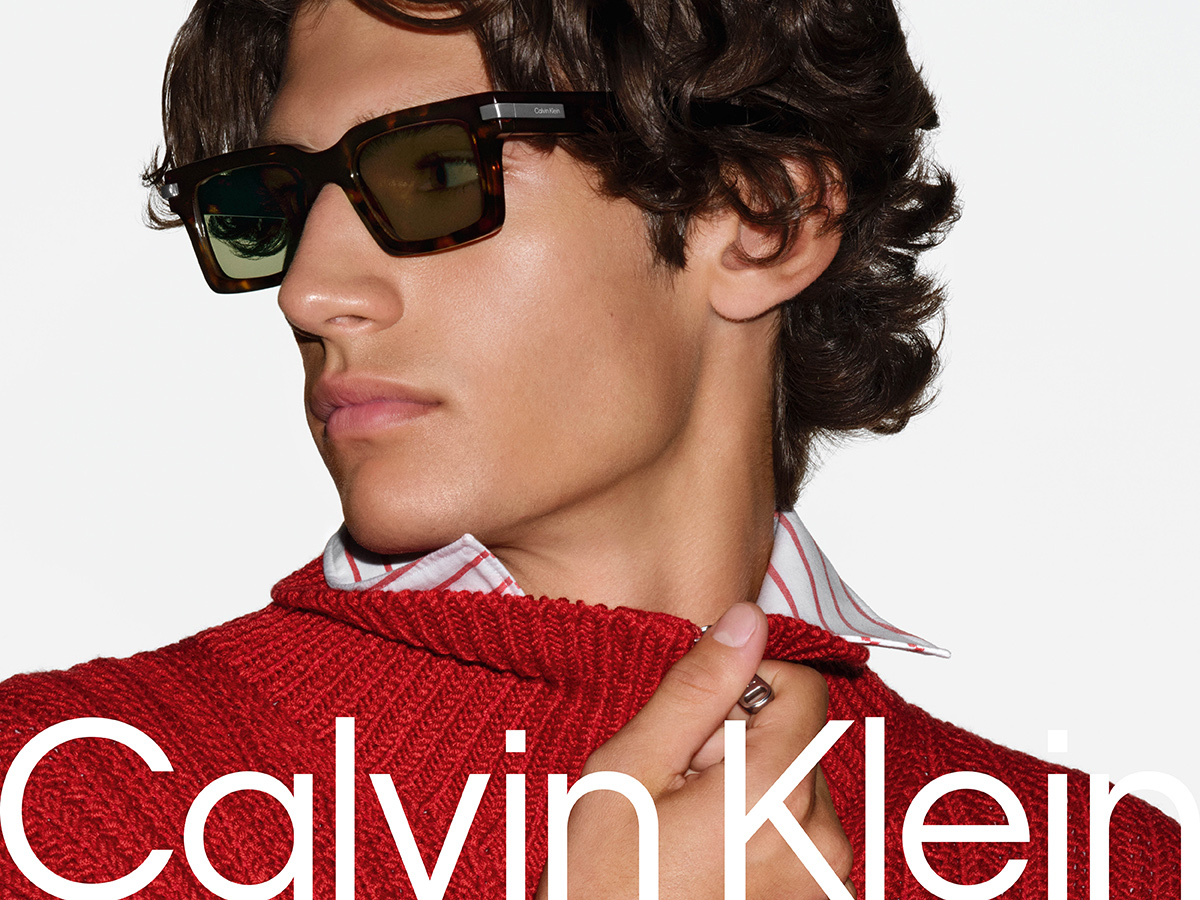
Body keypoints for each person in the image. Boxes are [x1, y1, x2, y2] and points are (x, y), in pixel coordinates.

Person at [0, 0, 1189, 898]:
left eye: (433, 172)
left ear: (763, 218)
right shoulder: (65, 800)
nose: (309, 291)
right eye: (277, 204)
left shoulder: (1101, 867)